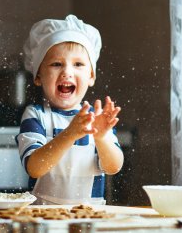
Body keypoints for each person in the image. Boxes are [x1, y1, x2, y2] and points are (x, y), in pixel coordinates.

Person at [16, 15, 124, 205]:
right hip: (42, 218)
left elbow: (113, 167)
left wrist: (101, 138)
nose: (67, 72)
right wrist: (70, 134)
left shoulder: (97, 119)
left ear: (91, 76)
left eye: (78, 64)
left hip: (89, 219)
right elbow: (34, 167)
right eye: (56, 64)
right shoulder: (36, 115)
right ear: (38, 75)